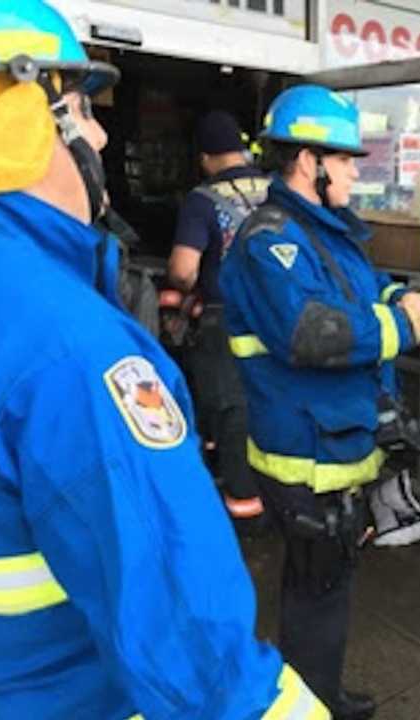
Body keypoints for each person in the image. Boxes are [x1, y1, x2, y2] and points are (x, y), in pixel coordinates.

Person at [0, 2, 328, 717]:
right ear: (25, 121)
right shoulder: (75, 349)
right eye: (81, 107)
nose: (102, 132)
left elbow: (181, 271)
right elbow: (197, 650)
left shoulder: (197, 205)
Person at [219, 84, 420, 719]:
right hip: (304, 458)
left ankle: (320, 692)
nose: (353, 170)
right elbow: (311, 331)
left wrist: (397, 299)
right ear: (309, 161)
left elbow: (366, 285)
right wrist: (402, 327)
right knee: (316, 592)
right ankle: (313, 703)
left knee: (326, 586)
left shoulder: (323, 232)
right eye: (344, 159)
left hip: (335, 446)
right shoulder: (270, 240)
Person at [168, 110, 269, 530]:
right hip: (282, 318)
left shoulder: (202, 199)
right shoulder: (277, 188)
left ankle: (243, 512)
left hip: (225, 319)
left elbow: (183, 269)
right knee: (270, 406)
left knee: (229, 410)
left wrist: (180, 291)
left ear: (207, 156)